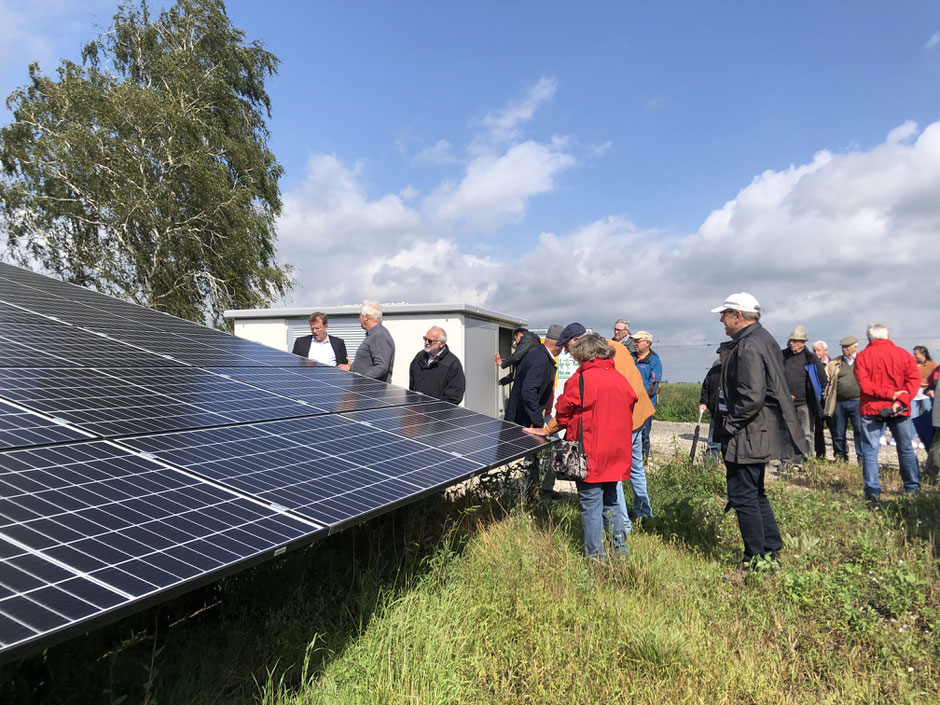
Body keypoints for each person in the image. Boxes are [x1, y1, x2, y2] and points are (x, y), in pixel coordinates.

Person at [710, 292, 805, 569]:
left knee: (742, 496)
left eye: (725, 314)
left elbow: (751, 396)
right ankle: (770, 549)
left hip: (747, 432)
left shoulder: (749, 346)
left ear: (737, 316)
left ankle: (755, 559)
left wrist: (730, 424)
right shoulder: (764, 338)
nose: (721, 320)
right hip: (757, 430)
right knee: (755, 492)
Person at [524, 333, 637, 559]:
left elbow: (564, 411)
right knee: (611, 500)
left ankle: (595, 556)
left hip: (590, 451)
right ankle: (620, 551)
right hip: (616, 451)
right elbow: (630, 404)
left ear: (584, 354)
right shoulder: (620, 378)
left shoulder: (581, 379)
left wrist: (545, 430)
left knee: (590, 503)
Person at [854, 323, 921, 500]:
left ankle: (872, 490)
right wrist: (899, 399)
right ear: (888, 335)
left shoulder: (862, 356)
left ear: (869, 338)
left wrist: (888, 394)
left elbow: (864, 384)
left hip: (871, 408)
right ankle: (912, 487)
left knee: (870, 449)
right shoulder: (904, 354)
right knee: (905, 448)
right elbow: (914, 380)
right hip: (899, 408)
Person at [505, 324, 564, 497]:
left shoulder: (540, 354)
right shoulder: (540, 359)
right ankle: (528, 495)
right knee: (534, 455)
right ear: (559, 344)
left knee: (538, 454)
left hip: (533, 414)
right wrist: (538, 421)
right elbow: (529, 391)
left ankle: (536, 491)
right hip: (529, 416)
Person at [781, 326, 827, 459]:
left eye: (795, 341)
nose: (791, 343)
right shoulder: (783, 356)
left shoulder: (811, 358)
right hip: (787, 402)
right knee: (787, 432)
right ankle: (787, 460)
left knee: (807, 433)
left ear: (803, 343)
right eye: (791, 340)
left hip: (805, 403)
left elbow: (822, 379)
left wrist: (816, 396)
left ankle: (808, 460)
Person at [822, 336, 863, 462]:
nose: (844, 349)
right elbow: (826, 379)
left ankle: (862, 458)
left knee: (859, 431)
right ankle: (840, 456)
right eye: (843, 347)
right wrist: (825, 396)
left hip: (858, 402)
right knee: (838, 433)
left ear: (855, 347)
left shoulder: (862, 361)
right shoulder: (835, 363)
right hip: (839, 402)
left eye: (847, 347)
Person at [408, 326, 465, 404]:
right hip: (418, 410)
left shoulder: (452, 363)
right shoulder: (419, 357)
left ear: (441, 344)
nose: (426, 342)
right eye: (425, 339)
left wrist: (436, 409)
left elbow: (454, 396)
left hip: (438, 413)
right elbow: (412, 384)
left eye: (430, 341)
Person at [631, 330, 661, 459]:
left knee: (644, 434)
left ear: (647, 343)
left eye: (638, 341)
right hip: (628, 401)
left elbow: (653, 384)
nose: (635, 343)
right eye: (634, 341)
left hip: (645, 402)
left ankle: (643, 459)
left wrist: (638, 394)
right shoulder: (630, 357)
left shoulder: (654, 360)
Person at [350, 300, 395, 382]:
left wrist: (362, 379)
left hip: (374, 391)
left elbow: (381, 367)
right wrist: (352, 367)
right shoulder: (374, 335)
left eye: (360, 315)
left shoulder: (380, 335)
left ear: (367, 317)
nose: (358, 318)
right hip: (367, 390)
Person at [811, 340, 836, 457]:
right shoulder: (811, 365)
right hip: (817, 401)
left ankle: (839, 454)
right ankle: (820, 454)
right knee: (818, 428)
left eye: (819, 350)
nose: (816, 353)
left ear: (825, 351)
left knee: (834, 428)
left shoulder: (833, 364)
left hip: (830, 401)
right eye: (814, 350)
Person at [698, 351, 723, 466]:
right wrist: (704, 402)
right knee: (713, 443)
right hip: (716, 414)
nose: (722, 357)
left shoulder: (738, 371)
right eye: (720, 355)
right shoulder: (713, 371)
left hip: (732, 416)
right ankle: (710, 470)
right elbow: (706, 388)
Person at [912, 346, 937, 449]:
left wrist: (926, 385)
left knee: (927, 413)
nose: (915, 356)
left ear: (923, 354)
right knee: (913, 415)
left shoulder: (932, 365)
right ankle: (913, 438)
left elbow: (933, 378)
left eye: (916, 354)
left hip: (925, 393)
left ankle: (927, 437)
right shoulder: (913, 365)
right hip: (914, 393)